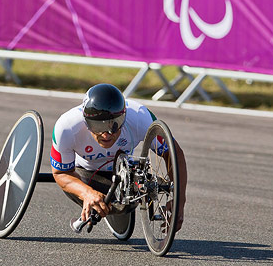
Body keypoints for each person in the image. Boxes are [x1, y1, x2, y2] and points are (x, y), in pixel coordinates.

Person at [50, 83, 187, 236]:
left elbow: (174, 154)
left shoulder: (140, 116)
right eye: (98, 126)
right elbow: (61, 173)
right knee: (107, 204)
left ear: (124, 115)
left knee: (126, 203)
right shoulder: (67, 127)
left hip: (123, 170)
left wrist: (179, 201)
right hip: (85, 172)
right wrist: (87, 193)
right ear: (86, 121)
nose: (107, 134)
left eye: (115, 124)